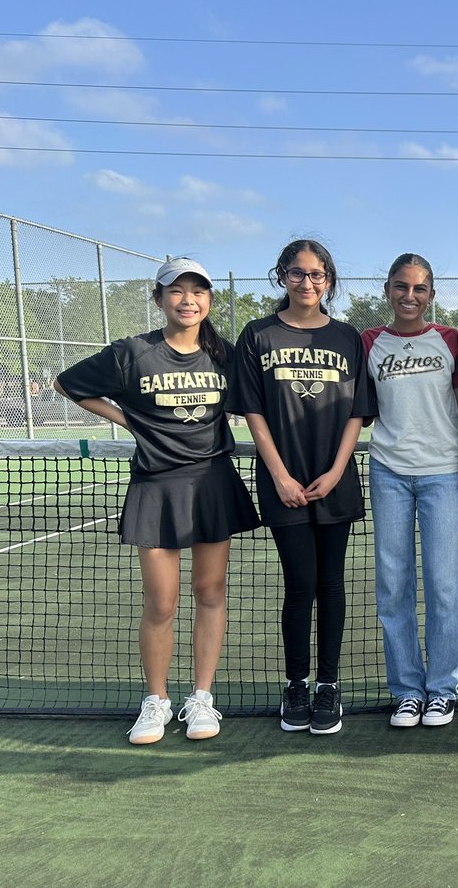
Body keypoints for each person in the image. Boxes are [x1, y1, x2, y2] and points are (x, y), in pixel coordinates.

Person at [55, 257, 259, 745]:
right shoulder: (132, 353)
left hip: (211, 482)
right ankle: (157, 701)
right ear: (159, 299)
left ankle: (202, 698)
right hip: (155, 487)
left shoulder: (225, 355)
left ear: (209, 300)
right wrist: (130, 422)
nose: (188, 300)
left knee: (210, 592)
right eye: (176, 291)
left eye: (198, 291)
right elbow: (68, 384)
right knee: (161, 601)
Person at [229, 239, 376, 736]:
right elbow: (253, 411)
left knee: (331, 585)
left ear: (329, 280)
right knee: (299, 586)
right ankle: (296, 683)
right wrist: (279, 475)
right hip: (283, 483)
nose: (307, 282)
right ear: (282, 276)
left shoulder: (347, 337)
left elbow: (358, 410)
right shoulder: (258, 335)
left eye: (317, 275)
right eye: (297, 273)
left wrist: (337, 471)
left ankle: (328, 687)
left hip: (334, 479)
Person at [361, 253, 458, 728]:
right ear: (387, 290)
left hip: (442, 473)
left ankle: (442, 689)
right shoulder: (367, 342)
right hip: (386, 472)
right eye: (401, 287)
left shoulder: (450, 340)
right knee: (393, 586)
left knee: (445, 586)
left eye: (419, 288)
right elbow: (354, 410)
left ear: (432, 294)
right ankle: (407, 691)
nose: (410, 296)